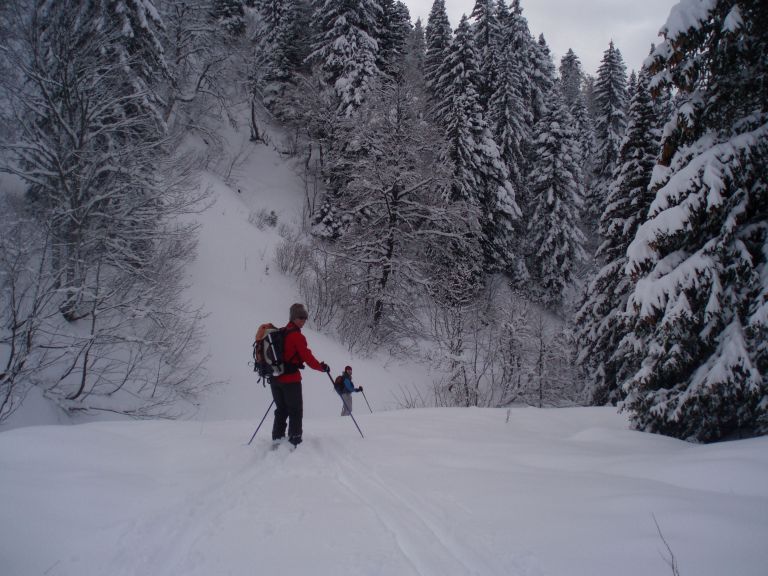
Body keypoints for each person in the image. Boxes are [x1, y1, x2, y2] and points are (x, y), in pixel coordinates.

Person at [270, 303, 330, 447]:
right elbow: (307, 358)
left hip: (275, 378)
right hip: (290, 380)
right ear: (293, 318)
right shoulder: (296, 336)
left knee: (281, 409)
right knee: (295, 410)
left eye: (305, 318)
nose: (303, 321)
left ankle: (277, 437)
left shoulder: (281, 332)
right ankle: (294, 439)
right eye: (300, 317)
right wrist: (322, 368)